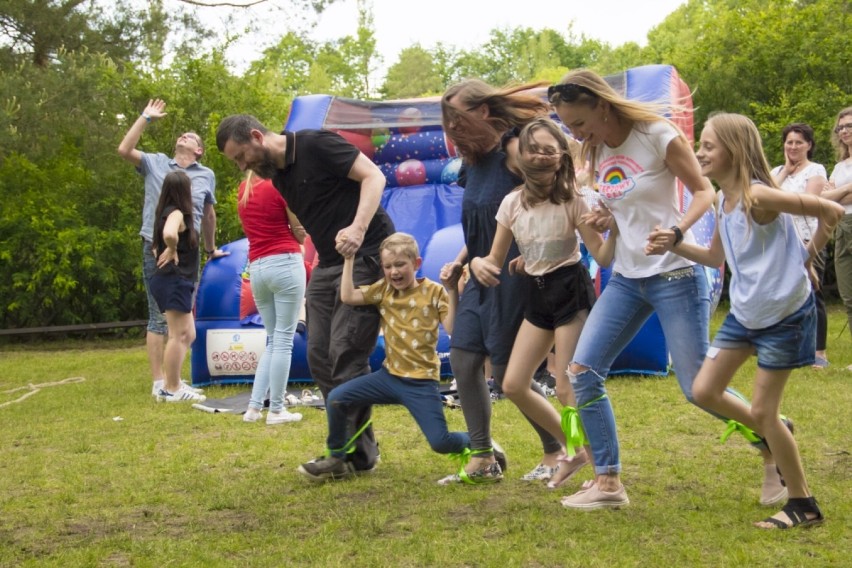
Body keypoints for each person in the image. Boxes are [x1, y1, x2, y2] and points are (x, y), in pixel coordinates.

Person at [549, 69, 784, 510]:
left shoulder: (657, 134)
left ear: (601, 105)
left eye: (578, 123)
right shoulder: (595, 148)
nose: (575, 133)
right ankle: (608, 482)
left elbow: (703, 193)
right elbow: (621, 201)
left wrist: (676, 231)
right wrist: (607, 217)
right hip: (627, 277)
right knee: (582, 372)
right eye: (568, 125)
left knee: (698, 387)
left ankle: (775, 438)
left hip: (676, 272)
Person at [652, 112, 841, 528]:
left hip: (784, 317)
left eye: (708, 145)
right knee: (703, 390)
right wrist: (675, 243)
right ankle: (775, 427)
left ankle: (803, 505)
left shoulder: (760, 197)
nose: (700, 152)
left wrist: (807, 259)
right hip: (744, 314)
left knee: (761, 410)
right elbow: (715, 258)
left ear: (734, 151)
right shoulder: (723, 201)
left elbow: (829, 210)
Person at [216, 114, 394, 473]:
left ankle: (346, 454)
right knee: (318, 355)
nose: (241, 166)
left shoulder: (316, 143)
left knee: (346, 351)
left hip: (368, 251)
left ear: (256, 136)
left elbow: (374, 176)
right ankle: (354, 450)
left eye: (240, 156)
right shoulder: (277, 175)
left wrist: (358, 229)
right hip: (329, 262)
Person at [468, 118, 617, 490]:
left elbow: (600, 255)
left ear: (561, 157)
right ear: (518, 157)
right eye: (532, 148)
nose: (539, 155)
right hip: (535, 293)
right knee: (514, 383)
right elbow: (494, 256)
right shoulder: (511, 203)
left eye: (548, 149)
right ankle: (574, 448)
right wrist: (476, 264)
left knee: (567, 386)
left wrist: (617, 228)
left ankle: (603, 471)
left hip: (570, 291)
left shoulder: (573, 201)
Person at [438, 79, 562, 484]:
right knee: (463, 359)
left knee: (511, 375)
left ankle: (556, 450)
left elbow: (555, 189)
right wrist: (460, 262)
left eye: (457, 119)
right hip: (477, 275)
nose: (451, 129)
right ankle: (482, 456)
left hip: (515, 276)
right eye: (446, 121)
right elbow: (482, 224)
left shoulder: (513, 150)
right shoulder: (472, 163)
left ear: (485, 112)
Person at [297, 233, 469, 481]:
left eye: (400, 265)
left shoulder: (433, 291)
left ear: (416, 263)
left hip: (420, 383)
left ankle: (480, 443)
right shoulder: (383, 290)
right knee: (336, 398)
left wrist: (452, 289)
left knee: (440, 442)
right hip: (389, 378)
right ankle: (336, 457)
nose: (394, 272)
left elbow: (453, 329)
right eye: (387, 266)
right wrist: (349, 259)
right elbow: (348, 296)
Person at [117, 99, 226, 399]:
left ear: (199, 150)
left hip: (189, 253)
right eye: (181, 135)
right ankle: (161, 383)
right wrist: (145, 118)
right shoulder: (156, 163)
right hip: (157, 249)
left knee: (182, 321)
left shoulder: (206, 175)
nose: (183, 137)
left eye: (191, 137)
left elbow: (210, 214)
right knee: (159, 318)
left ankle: (173, 382)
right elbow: (124, 150)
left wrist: (211, 248)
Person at [238, 171, 307, 425]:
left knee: (273, 339)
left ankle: (254, 408)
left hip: (256, 267)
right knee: (284, 341)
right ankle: (276, 409)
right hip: (285, 262)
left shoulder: (244, 188)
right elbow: (299, 230)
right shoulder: (280, 184)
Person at [770, 123, 829, 368]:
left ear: (809, 145)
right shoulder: (776, 171)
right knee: (782, 295)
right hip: (778, 241)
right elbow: (764, 197)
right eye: (789, 142)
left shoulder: (816, 170)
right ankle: (787, 348)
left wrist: (777, 201)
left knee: (812, 295)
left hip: (808, 238)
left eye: (798, 142)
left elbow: (807, 203)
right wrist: (784, 170)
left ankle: (819, 352)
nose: (793, 146)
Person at [148, 172, 206, 402]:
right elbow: (169, 234)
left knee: (188, 333)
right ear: (185, 190)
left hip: (169, 279)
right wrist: (172, 249)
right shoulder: (176, 213)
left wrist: (166, 250)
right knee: (178, 334)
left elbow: (155, 246)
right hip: (174, 279)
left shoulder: (162, 213)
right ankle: (171, 388)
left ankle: (175, 381)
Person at [821, 107, 852, 363]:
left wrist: (837, 192)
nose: (845, 131)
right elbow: (824, 197)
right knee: (848, 295)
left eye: (849, 125)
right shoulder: (840, 165)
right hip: (841, 227)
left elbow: (834, 195)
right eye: (841, 127)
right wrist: (846, 189)